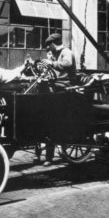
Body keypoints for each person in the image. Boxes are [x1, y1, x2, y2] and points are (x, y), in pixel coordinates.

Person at [36, 32, 77, 165]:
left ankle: (50, 156)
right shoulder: (55, 54)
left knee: (54, 120)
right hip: (57, 86)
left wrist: (51, 63)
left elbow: (67, 63)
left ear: (53, 44)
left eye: (49, 46)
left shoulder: (66, 52)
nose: (48, 49)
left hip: (66, 88)